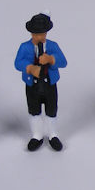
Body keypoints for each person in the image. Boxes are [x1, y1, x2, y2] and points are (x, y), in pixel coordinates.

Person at [15, 11, 68, 151]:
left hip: (49, 84)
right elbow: (17, 63)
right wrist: (30, 68)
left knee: (51, 110)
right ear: (31, 33)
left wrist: (51, 59)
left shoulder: (53, 46)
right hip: (32, 85)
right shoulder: (24, 47)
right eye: (37, 34)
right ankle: (37, 135)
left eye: (43, 34)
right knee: (34, 111)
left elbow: (63, 62)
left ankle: (53, 135)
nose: (40, 37)